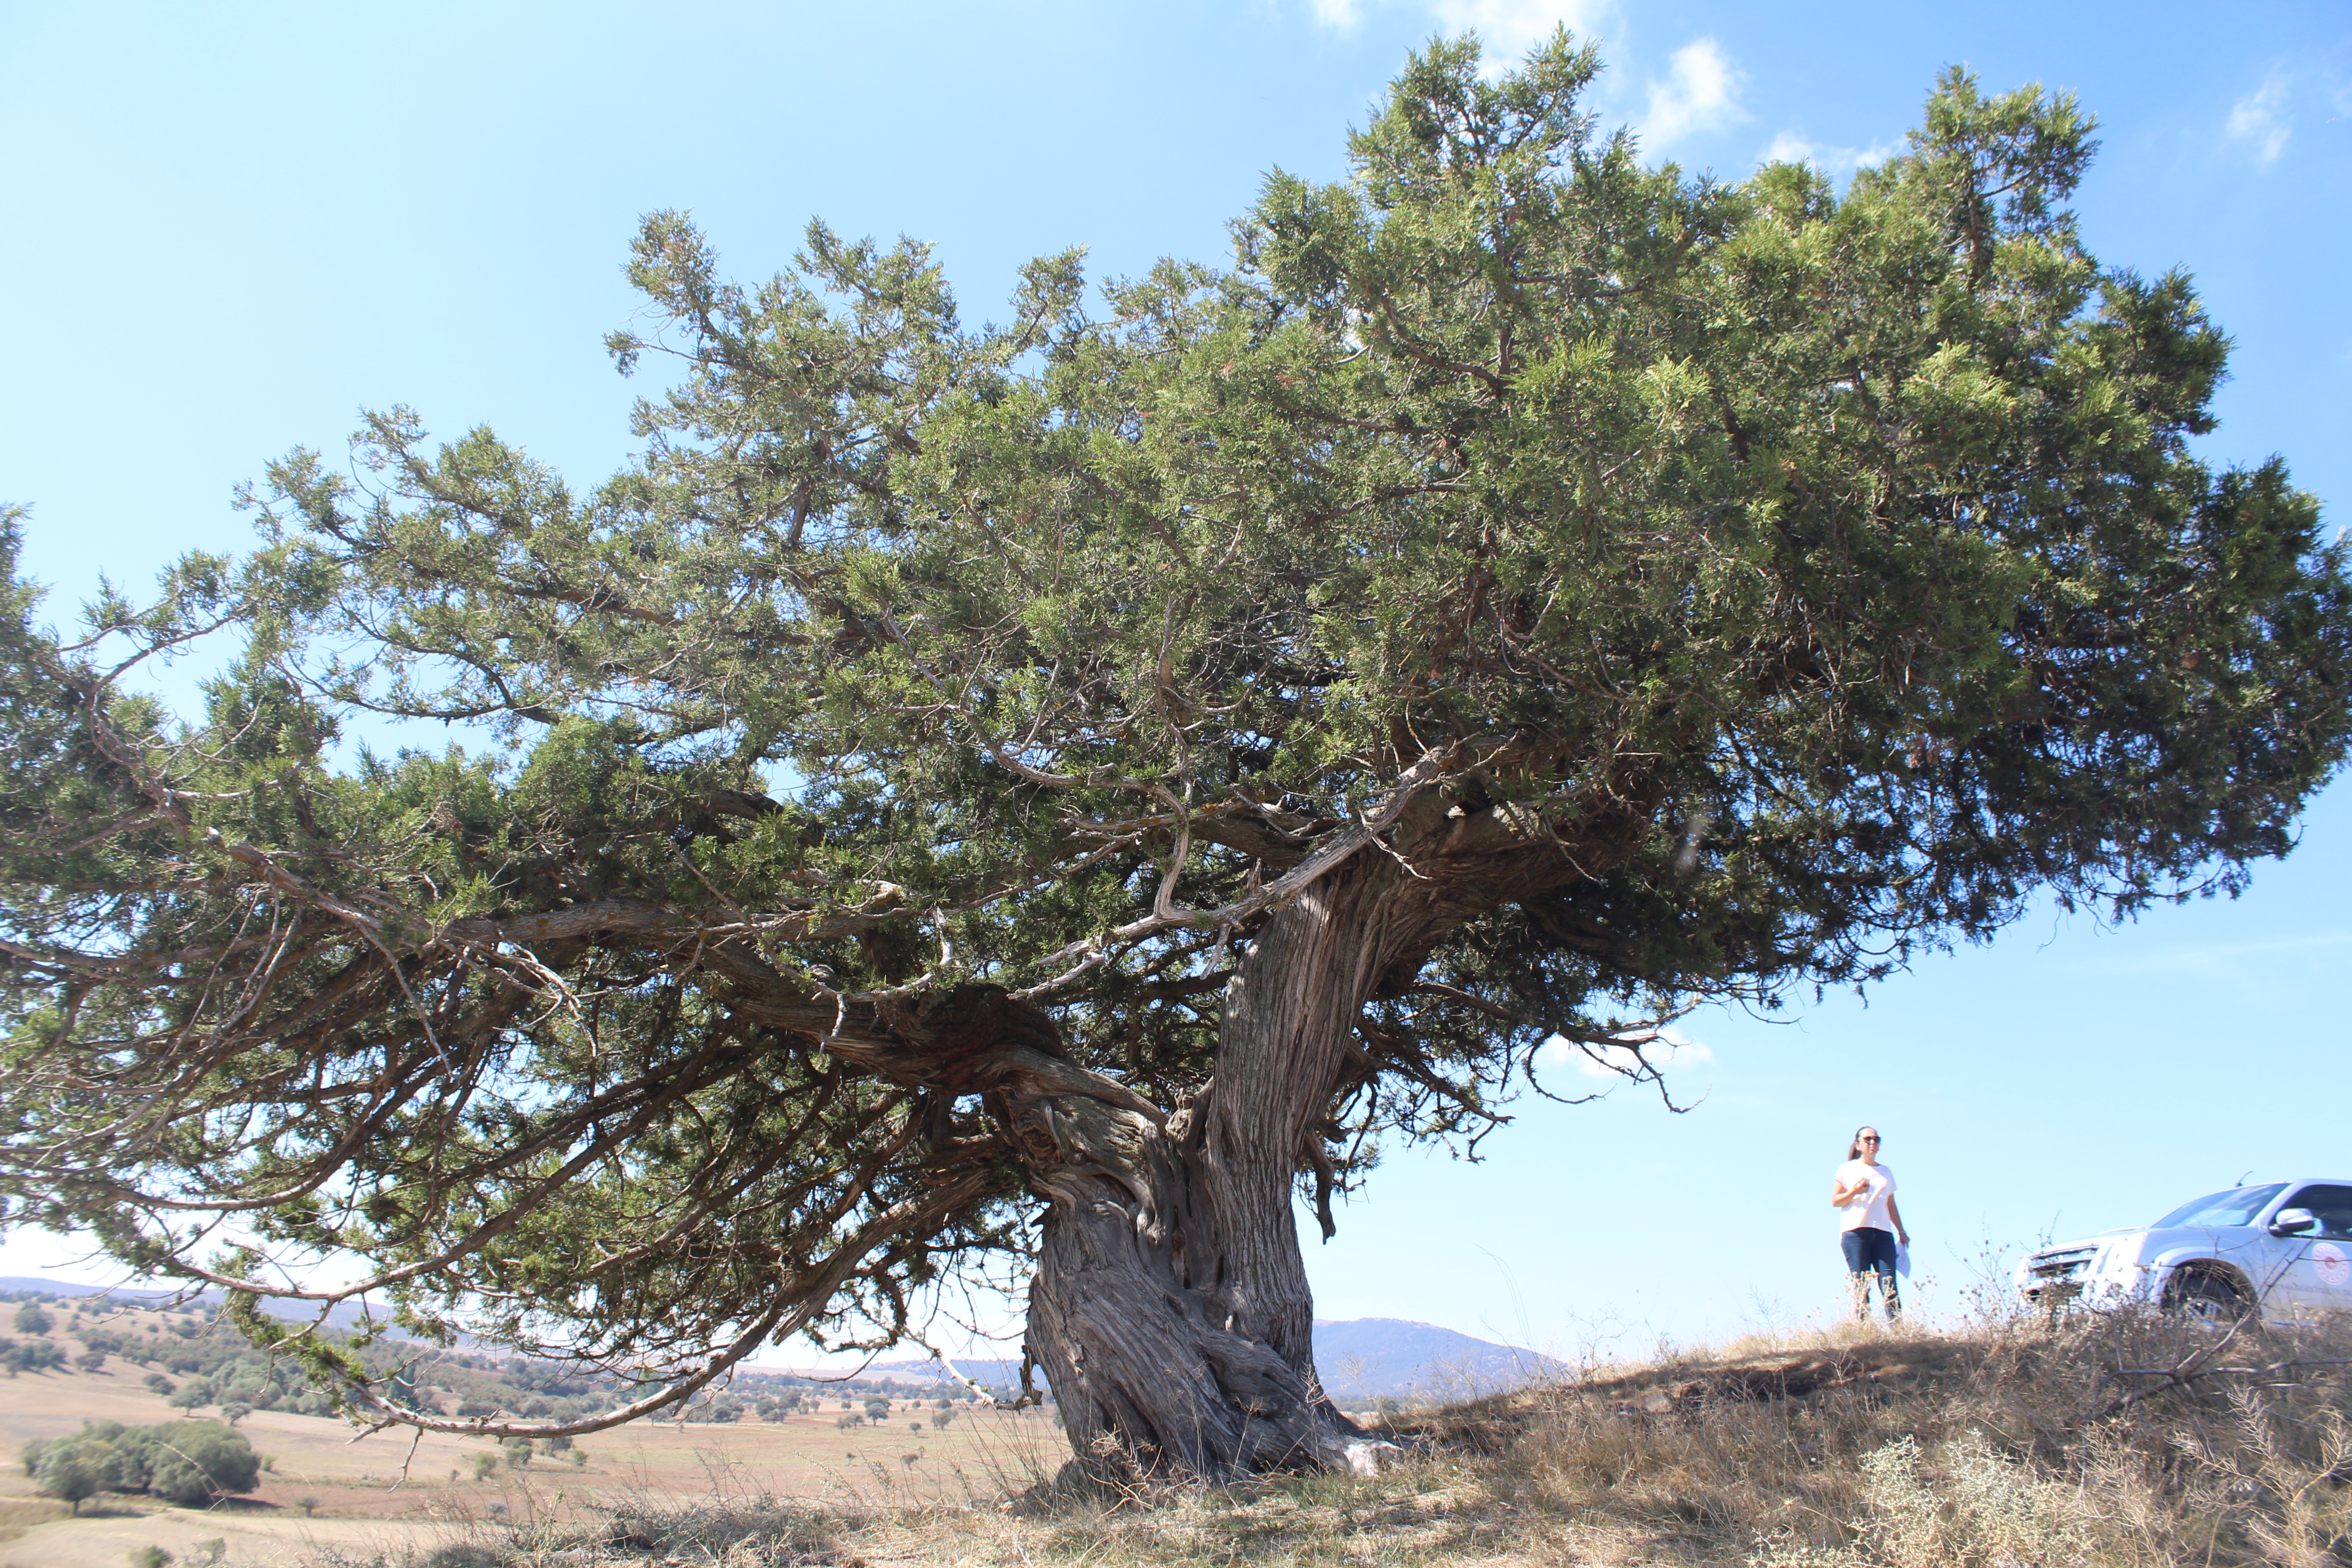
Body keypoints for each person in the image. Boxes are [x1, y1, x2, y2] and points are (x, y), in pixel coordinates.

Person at [1831, 1126, 1908, 1323]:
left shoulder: (1886, 1172)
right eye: (1868, 1139)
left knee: (1889, 1281)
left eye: (1876, 1139)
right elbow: (1836, 1200)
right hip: (1855, 1233)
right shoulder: (1847, 1169)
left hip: (1883, 1233)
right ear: (1858, 1144)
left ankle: (1898, 1329)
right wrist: (1855, 1192)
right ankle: (1865, 1331)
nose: (1873, 1142)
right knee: (1862, 1284)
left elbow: (1890, 1204)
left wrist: (1901, 1231)